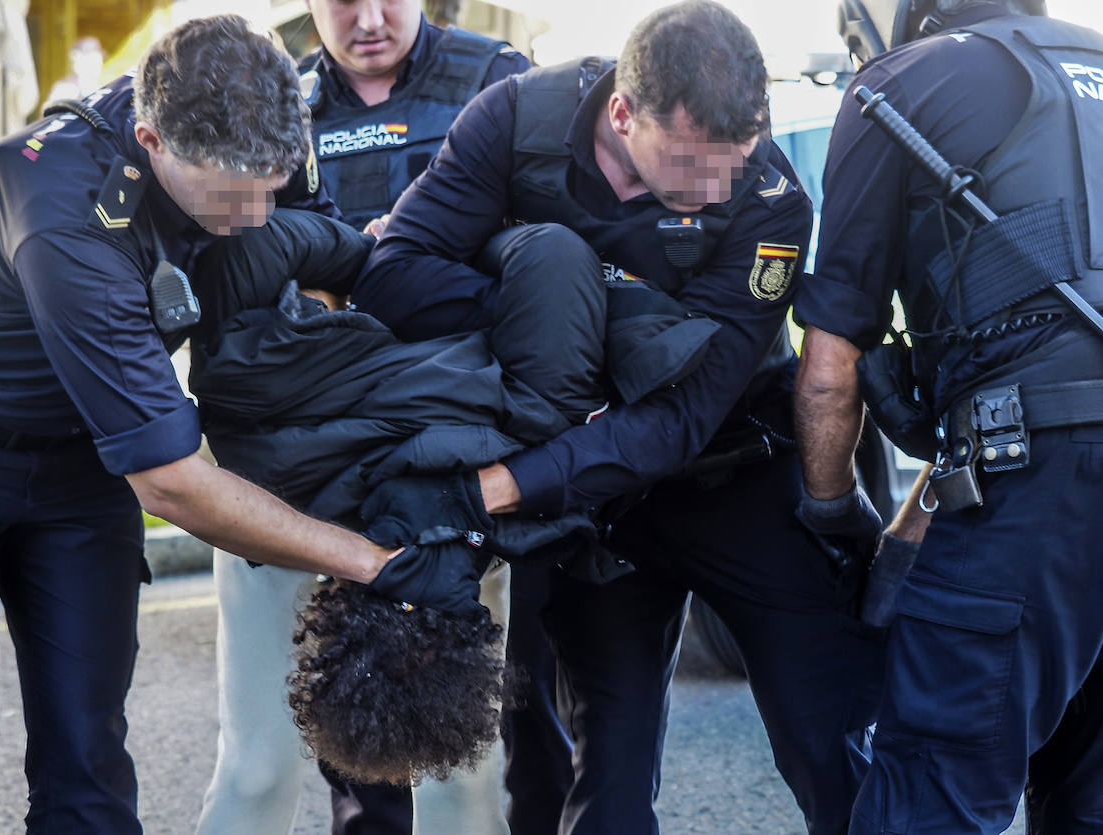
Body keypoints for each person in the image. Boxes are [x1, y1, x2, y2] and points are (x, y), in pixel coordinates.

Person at [0, 16, 482, 834]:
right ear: (151, 139)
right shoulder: (63, 214)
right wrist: (368, 562)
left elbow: (311, 257)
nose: (257, 211)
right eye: (232, 193)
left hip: (78, 460)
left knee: (88, 751)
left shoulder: (266, 120)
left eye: (272, 182)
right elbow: (172, 480)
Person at [354, 1, 888, 832]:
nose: (715, 189)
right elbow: (392, 277)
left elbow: (680, 415)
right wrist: (549, 305)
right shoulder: (516, 121)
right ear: (621, 113)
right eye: (688, 165)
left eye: (733, 162)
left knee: (830, 742)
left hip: (731, 468)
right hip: (589, 505)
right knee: (605, 776)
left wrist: (505, 481)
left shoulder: (771, 199)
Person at [192, 2, 546, 833]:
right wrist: (345, 274)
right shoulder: (266, 92)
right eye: (343, 0)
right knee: (261, 765)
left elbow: (541, 259)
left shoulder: (496, 79)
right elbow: (229, 269)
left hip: (446, 464)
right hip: (290, 467)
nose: (371, 18)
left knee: (462, 768)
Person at [795, 0, 1103, 830]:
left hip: (1032, 491)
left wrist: (832, 513)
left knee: (931, 794)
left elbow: (831, 364)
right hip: (1044, 461)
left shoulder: (899, 86)